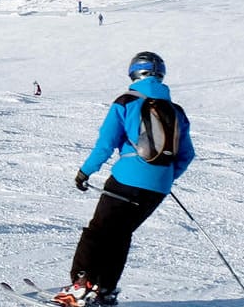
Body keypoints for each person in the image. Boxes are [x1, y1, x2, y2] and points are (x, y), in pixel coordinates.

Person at [54, 51, 194, 306]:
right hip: (158, 187)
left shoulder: (127, 102)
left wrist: (85, 172)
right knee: (120, 235)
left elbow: (106, 144)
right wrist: (164, 177)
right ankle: (105, 290)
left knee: (97, 232)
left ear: (134, 73)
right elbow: (187, 155)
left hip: (126, 180)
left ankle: (80, 288)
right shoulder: (176, 111)